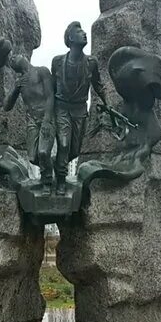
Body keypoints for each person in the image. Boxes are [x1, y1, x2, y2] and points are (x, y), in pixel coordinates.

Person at [50, 21, 107, 193]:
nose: (84, 34)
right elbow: (52, 88)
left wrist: (107, 102)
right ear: (70, 38)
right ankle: (61, 181)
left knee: (74, 151)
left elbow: (98, 85)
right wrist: (48, 112)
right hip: (61, 108)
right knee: (64, 144)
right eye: (79, 32)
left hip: (80, 110)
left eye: (84, 31)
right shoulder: (57, 61)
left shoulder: (91, 62)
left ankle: (56, 164)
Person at [4, 53, 56, 188]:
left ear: (24, 57)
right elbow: (6, 106)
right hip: (32, 120)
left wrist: (47, 120)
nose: (12, 59)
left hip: (47, 117)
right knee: (33, 158)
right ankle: (54, 165)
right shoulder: (19, 82)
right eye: (11, 61)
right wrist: (15, 88)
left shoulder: (41, 71)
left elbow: (50, 96)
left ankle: (47, 182)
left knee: (43, 152)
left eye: (15, 56)